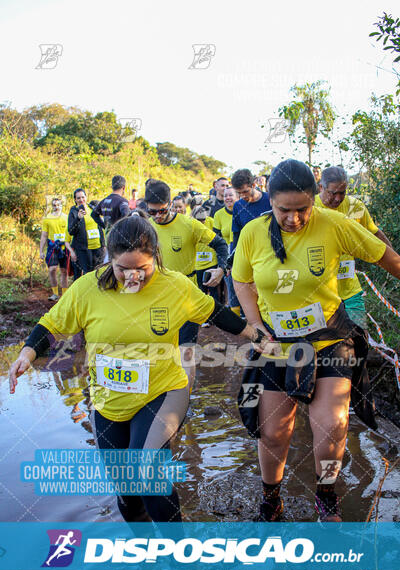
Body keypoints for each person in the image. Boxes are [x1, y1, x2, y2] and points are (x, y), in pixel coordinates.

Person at [9, 215, 266, 529]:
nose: (132, 277)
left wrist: (256, 335)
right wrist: (27, 352)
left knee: (148, 472)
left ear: (155, 255)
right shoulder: (87, 289)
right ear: (109, 260)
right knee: (127, 493)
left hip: (162, 391)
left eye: (142, 269)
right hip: (108, 401)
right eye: (122, 270)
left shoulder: (175, 286)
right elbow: (51, 324)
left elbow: (216, 312)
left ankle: (183, 565)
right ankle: (146, 559)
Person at [232, 159, 400, 522]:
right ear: (271, 203)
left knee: (332, 427)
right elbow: (242, 281)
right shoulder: (252, 234)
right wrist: (255, 324)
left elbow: (388, 258)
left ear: (314, 200)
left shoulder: (335, 225)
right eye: (283, 211)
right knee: (275, 433)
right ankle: (270, 500)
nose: (293, 219)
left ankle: (326, 495)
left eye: (302, 210)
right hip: (277, 347)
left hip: (329, 341)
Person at [145, 179, 228, 388]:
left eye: (161, 211)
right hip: (156, 295)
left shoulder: (188, 224)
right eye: (151, 212)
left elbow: (220, 244)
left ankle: (184, 399)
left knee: (186, 350)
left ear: (170, 204)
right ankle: (161, 392)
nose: (157, 217)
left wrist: (221, 269)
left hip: (186, 295)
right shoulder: (146, 228)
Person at [315, 166, 392, 328]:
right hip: (320, 293)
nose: (337, 199)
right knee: (328, 342)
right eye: (332, 193)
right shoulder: (310, 208)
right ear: (321, 187)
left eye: (342, 193)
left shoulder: (354, 207)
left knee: (359, 336)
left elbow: (374, 233)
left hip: (350, 288)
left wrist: (393, 260)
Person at [65, 188, 105, 280]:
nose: (81, 200)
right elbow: (71, 231)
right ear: (75, 199)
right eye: (78, 198)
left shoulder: (92, 208)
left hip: (98, 247)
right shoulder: (73, 212)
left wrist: (103, 244)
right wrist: (78, 218)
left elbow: (100, 227)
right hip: (84, 249)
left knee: (98, 272)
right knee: (87, 274)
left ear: (86, 197)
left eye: (83, 197)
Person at [214, 187, 240, 315]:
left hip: (241, 249)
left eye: (230, 195)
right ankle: (235, 314)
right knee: (230, 283)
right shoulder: (218, 214)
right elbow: (216, 238)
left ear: (237, 197)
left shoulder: (242, 210)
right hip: (226, 251)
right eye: (225, 196)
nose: (227, 198)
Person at [191, 204, 221, 310]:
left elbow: (219, 238)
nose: (202, 222)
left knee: (213, 289)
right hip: (198, 264)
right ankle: (205, 316)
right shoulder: (189, 224)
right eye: (199, 220)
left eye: (204, 219)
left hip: (211, 261)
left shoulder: (211, 221)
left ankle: (216, 314)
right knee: (201, 290)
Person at [231, 169, 271, 248]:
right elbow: (236, 234)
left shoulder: (271, 200)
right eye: (239, 193)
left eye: (245, 191)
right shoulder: (238, 206)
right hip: (249, 250)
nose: (243, 196)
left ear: (253, 185)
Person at [39, 197, 68, 301]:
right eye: (54, 205)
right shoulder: (47, 218)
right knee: (52, 270)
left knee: (64, 271)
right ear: (52, 206)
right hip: (52, 247)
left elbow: (71, 234)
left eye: (58, 205)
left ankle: (64, 295)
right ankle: (55, 294)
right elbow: (44, 235)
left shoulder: (67, 217)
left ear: (62, 205)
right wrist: (41, 251)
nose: (56, 207)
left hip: (64, 247)